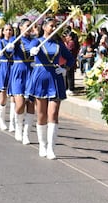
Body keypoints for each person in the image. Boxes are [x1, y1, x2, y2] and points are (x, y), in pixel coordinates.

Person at [26, 18, 75, 159]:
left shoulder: (59, 43)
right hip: (40, 78)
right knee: (41, 115)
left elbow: (70, 58)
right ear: (45, 27)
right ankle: (42, 145)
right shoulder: (37, 41)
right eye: (51, 26)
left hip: (55, 78)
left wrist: (65, 68)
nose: (54, 28)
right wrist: (33, 51)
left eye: (55, 26)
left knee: (53, 114)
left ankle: (51, 148)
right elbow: (29, 48)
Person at [0, 23, 15, 131]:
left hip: (14, 67)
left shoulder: (16, 40)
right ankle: (2, 121)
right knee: (3, 95)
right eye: (6, 30)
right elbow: (0, 50)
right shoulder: (0, 42)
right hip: (4, 67)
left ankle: (12, 123)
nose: (9, 32)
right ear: (3, 31)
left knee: (14, 96)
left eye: (10, 30)